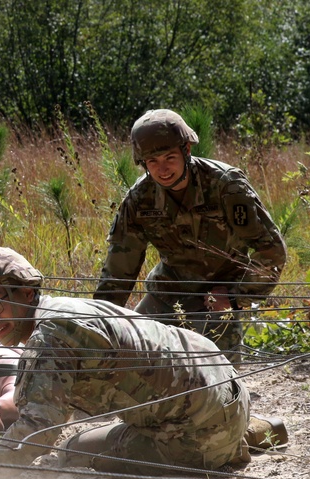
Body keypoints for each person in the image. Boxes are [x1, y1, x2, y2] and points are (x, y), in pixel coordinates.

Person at [0, 247, 288, 475]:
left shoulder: (50, 336)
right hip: (227, 392)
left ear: (26, 291)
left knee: (73, 450)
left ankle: (226, 446)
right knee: (105, 432)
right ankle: (249, 432)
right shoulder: (64, 308)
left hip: (195, 429)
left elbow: (40, 430)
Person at [94, 109, 287, 360]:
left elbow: (272, 251)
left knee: (219, 379)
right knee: (136, 359)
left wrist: (235, 296)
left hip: (219, 296)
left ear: (186, 150)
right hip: (168, 291)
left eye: (169, 158)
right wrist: (99, 320)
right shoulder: (140, 198)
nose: (162, 169)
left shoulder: (226, 186)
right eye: (152, 162)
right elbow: (119, 268)